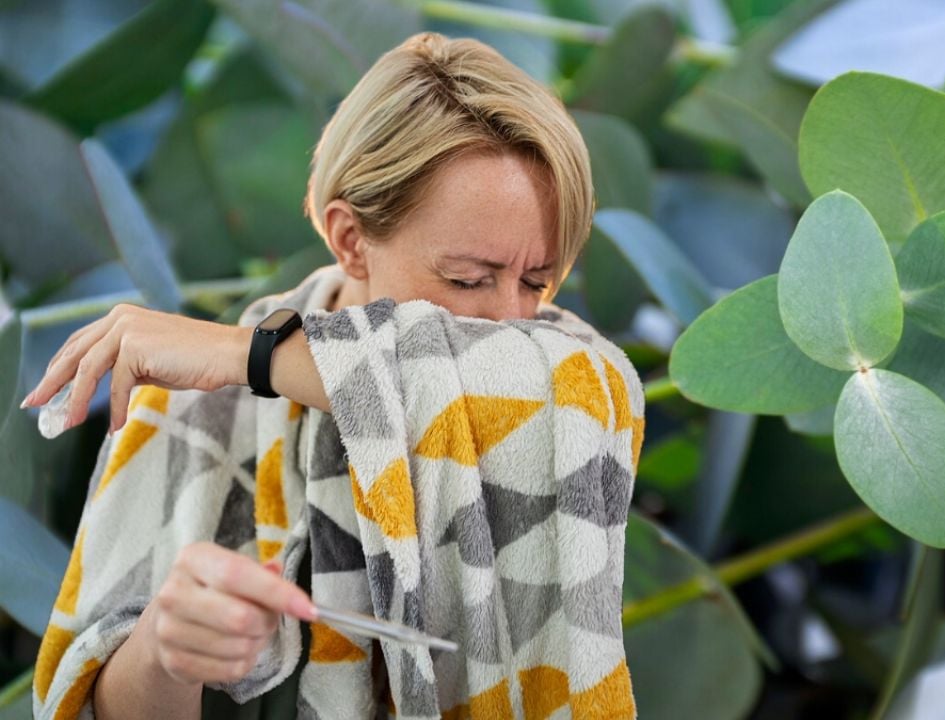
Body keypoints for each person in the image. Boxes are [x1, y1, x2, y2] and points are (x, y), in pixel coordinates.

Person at [24, 31, 638, 719]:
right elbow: (93, 709)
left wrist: (253, 357)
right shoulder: (198, 407)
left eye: (537, 280)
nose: (506, 319)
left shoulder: (567, 377)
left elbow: (529, 388)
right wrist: (167, 651)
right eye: (468, 278)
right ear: (350, 239)